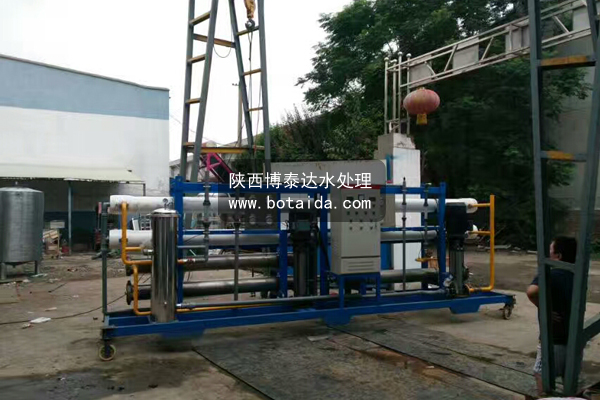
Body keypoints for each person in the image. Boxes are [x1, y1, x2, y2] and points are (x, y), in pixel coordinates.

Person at [526, 236, 577, 396]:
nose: (548, 254)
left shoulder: (549, 274)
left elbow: (531, 292)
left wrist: (545, 309)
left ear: (558, 256)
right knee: (569, 380)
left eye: (550, 251)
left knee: (541, 374)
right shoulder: (576, 275)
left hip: (552, 340)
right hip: (574, 341)